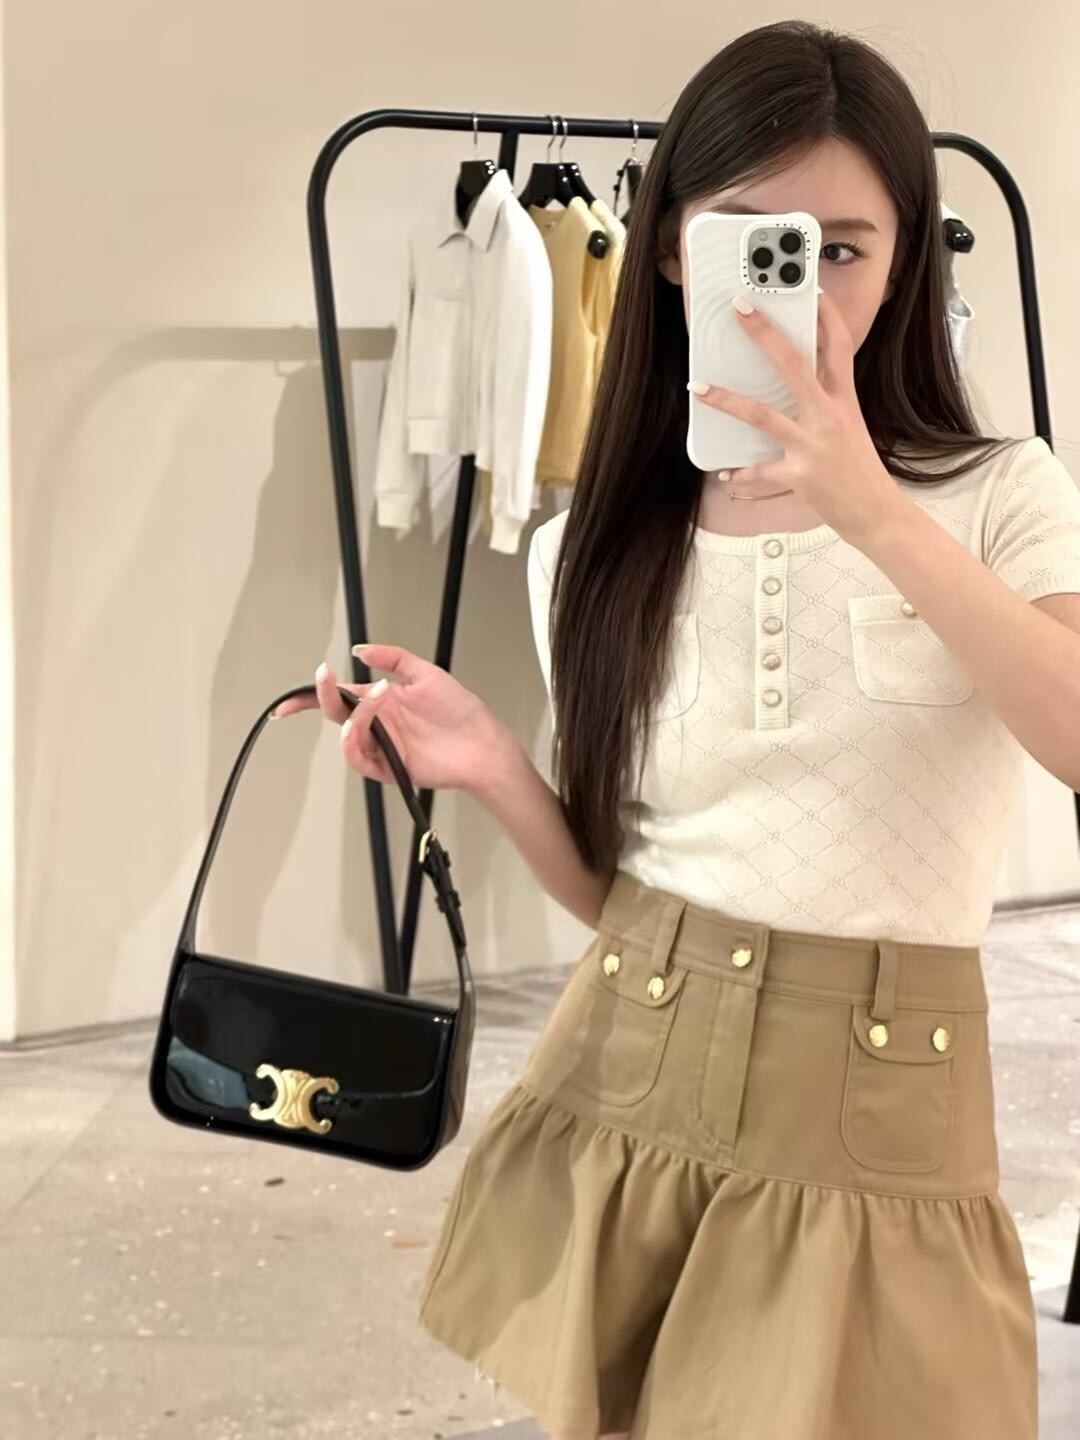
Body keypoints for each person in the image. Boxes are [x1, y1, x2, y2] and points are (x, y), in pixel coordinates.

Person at [276, 20, 1080, 1439]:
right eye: (753, 241)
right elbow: (624, 889)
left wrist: (874, 510)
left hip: (880, 1118)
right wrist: (492, 763)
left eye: (844, 247)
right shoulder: (592, 547)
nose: (805, 285)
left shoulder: (1001, 494)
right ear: (668, 253)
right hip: (636, 1073)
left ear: (909, 260)